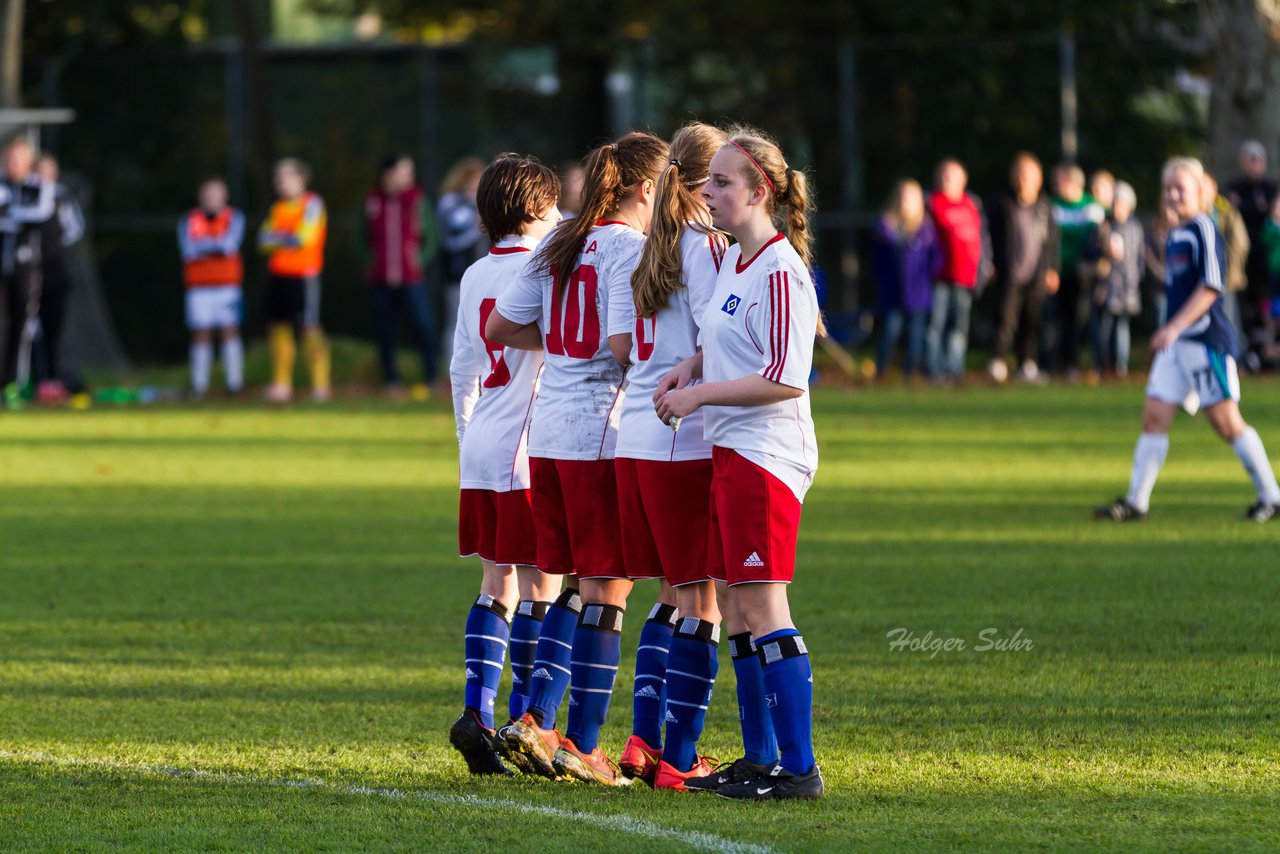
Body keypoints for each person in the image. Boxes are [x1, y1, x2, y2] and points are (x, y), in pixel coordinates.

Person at [488, 131, 669, 786]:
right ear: (647, 188)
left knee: (568, 584)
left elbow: (501, 328)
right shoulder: (628, 248)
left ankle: (537, 720)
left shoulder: (561, 241)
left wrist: (563, 346)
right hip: (600, 433)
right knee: (609, 589)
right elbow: (623, 347)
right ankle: (582, 744)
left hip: (549, 434)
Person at [655, 126, 825, 800]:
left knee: (763, 604)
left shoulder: (783, 271)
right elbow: (732, 340)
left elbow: (785, 377)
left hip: (765, 455)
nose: (708, 190)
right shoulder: (732, 261)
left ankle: (799, 768)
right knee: (732, 600)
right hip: (732, 449)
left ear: (761, 193)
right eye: (709, 179)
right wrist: (691, 364)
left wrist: (696, 395)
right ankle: (759, 760)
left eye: (723, 181)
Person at [606, 123, 729, 790]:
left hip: (637, 440)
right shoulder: (706, 248)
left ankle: (641, 741)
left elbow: (628, 344)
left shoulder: (648, 243)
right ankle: (680, 758)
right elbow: (721, 340)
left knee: (670, 594)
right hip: (685, 439)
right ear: (710, 180)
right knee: (703, 600)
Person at [446, 154, 564, 775]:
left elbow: (462, 368)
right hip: (529, 446)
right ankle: (522, 724)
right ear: (540, 210)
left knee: (496, 585)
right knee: (543, 587)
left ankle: (479, 713)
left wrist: (468, 436)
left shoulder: (472, 277)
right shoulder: (547, 271)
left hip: (483, 444)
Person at [1095, 157, 1280, 523]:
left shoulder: (1204, 229)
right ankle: (1136, 503)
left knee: (1226, 423)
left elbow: (1212, 287)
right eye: (1168, 188)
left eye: (1181, 188)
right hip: (1177, 345)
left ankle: (1272, 496)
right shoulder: (1175, 234)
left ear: (1200, 193)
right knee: (1154, 416)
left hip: (1204, 341)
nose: (1173, 194)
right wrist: (1173, 333)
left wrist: (1174, 327)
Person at [364, 154, 438, 395]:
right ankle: (391, 380)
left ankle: (431, 377)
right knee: (385, 330)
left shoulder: (417, 200)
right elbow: (360, 237)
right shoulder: (372, 201)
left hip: (411, 278)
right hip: (380, 279)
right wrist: (370, 262)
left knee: (423, 325)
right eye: (403, 172)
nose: (408, 178)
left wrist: (418, 260)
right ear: (388, 174)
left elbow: (431, 239)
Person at [259, 158, 330, 402]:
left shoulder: (312, 204)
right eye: (278, 178)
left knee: (309, 327)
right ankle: (281, 385)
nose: (282, 183)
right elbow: (262, 242)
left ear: (301, 179)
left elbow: (304, 238)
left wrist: (277, 238)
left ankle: (320, 386)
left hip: (304, 275)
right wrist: (284, 238)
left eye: (287, 177)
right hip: (279, 274)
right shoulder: (277, 208)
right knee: (279, 328)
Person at [987, 152, 1059, 384]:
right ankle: (997, 361)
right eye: (1020, 174)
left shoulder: (1045, 207)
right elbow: (989, 238)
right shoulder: (1001, 204)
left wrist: (1051, 269)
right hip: (1009, 274)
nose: (1024, 179)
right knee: (1005, 320)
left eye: (1029, 175)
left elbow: (1051, 242)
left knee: (1032, 321)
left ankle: (1026, 364)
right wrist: (990, 264)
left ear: (1038, 179)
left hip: (1036, 275)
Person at [178, 178, 245, 397]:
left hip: (227, 285)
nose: (211, 199)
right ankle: (199, 385)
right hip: (198, 287)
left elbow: (230, 245)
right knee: (200, 333)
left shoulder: (234, 217)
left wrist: (206, 246)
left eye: (216, 194)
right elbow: (189, 249)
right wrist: (215, 245)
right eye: (207, 194)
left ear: (224, 197)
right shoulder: (189, 219)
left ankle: (234, 384)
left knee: (229, 331)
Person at [1, 137, 55, 388]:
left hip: (26, 267)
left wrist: (10, 216)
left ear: (28, 162)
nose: (12, 164)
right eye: (9, 158)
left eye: (17, 159)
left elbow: (41, 213)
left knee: (22, 322)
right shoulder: (2, 186)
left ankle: (14, 382)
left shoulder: (38, 187)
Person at [872, 179, 937, 379]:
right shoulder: (886, 227)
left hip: (918, 293)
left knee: (916, 334)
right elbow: (876, 259)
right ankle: (881, 371)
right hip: (892, 292)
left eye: (910, 197)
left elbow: (935, 259)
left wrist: (924, 278)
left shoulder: (926, 229)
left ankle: (910, 371)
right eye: (902, 197)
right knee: (890, 330)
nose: (905, 202)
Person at [926, 159, 984, 381]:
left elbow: (981, 239)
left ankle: (954, 369)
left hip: (965, 277)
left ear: (963, 179)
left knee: (958, 328)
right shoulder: (931, 203)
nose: (947, 180)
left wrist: (983, 270)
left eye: (952, 175)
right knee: (936, 326)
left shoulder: (971, 204)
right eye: (944, 175)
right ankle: (934, 370)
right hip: (939, 277)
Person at [1046, 164, 1105, 378]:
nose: (1056, 185)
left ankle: (1072, 363)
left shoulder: (1092, 208)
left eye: (1060, 180)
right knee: (1053, 320)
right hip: (1056, 273)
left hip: (1083, 275)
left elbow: (1099, 240)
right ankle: (1051, 363)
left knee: (1077, 320)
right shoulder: (1052, 205)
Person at [33, 153, 85, 389]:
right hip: (30, 270)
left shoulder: (62, 197)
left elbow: (75, 229)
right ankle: (32, 377)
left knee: (53, 327)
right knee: (30, 329)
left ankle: (52, 379)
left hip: (54, 270)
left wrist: (55, 245)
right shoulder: (27, 194)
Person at [1224, 139, 1277, 368]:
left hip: (1269, 267)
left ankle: (1268, 355)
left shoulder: (1271, 188)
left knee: (1269, 311)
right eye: (1251, 159)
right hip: (1242, 265)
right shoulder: (1233, 188)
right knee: (1246, 312)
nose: (1255, 164)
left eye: (1259, 160)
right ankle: (1251, 355)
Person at [1082, 181, 1143, 377]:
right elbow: (1088, 253)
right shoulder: (1103, 228)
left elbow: (1140, 258)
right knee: (1103, 328)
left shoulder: (1135, 228)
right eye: (1115, 203)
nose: (1117, 207)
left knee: (1122, 329)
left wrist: (1136, 278)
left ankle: (1120, 366)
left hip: (1127, 288)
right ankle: (1101, 364)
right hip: (1106, 288)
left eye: (1121, 203)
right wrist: (1103, 255)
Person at [438, 157, 487, 371]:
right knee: (456, 324)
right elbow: (449, 242)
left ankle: (480, 372)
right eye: (474, 181)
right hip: (457, 275)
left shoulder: (483, 204)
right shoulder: (451, 203)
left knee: (482, 325)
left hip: (484, 275)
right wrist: (475, 228)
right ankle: (451, 373)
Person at [1203, 171, 1251, 354]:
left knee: (1228, 317)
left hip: (1224, 276)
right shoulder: (1195, 213)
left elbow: (1239, 244)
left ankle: (1233, 354)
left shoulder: (1226, 211)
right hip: (1204, 277)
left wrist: (1226, 270)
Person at [1144, 197, 1178, 329]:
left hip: (1178, 286)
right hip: (1159, 288)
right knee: (1162, 325)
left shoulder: (1183, 229)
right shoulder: (1153, 230)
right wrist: (1163, 276)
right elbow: (1148, 256)